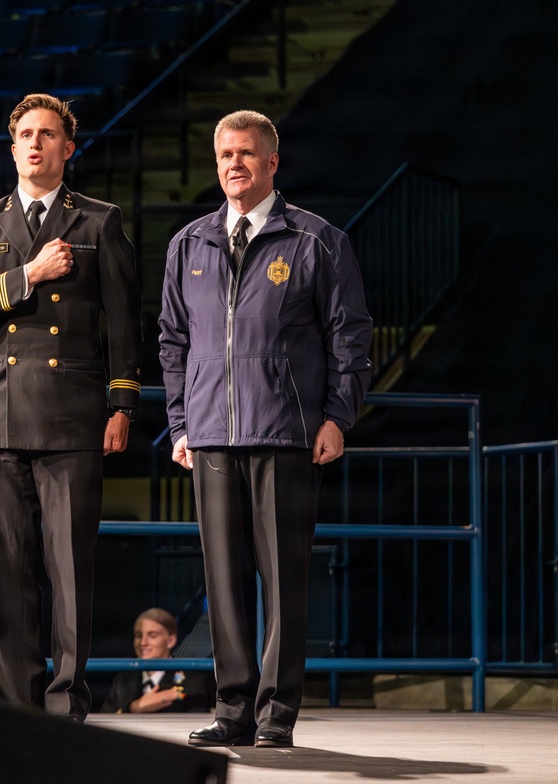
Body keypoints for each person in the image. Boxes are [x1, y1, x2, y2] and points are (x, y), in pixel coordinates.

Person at [158, 110, 372, 748]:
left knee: (284, 583)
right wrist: (180, 421)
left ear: (273, 162)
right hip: (212, 438)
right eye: (225, 154)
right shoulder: (188, 244)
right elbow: (172, 342)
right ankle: (232, 712)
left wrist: (337, 416)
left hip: (287, 433)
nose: (234, 164)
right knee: (222, 583)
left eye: (247, 153)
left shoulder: (317, 240)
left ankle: (276, 714)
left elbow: (351, 336)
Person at [0, 93, 143, 722]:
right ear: (12, 148)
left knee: (69, 571)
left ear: (68, 148)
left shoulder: (97, 221)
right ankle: (16, 709)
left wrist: (122, 405)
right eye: (25, 134)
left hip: (71, 417)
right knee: (7, 576)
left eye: (47, 134)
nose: (34, 143)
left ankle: (66, 709)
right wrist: (27, 272)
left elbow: (123, 320)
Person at [100, 607, 214, 714]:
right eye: (139, 635)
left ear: (171, 641)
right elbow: (103, 724)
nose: (143, 643)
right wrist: (133, 708)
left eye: (152, 635)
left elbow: (197, 723)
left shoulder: (193, 679)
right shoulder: (124, 679)